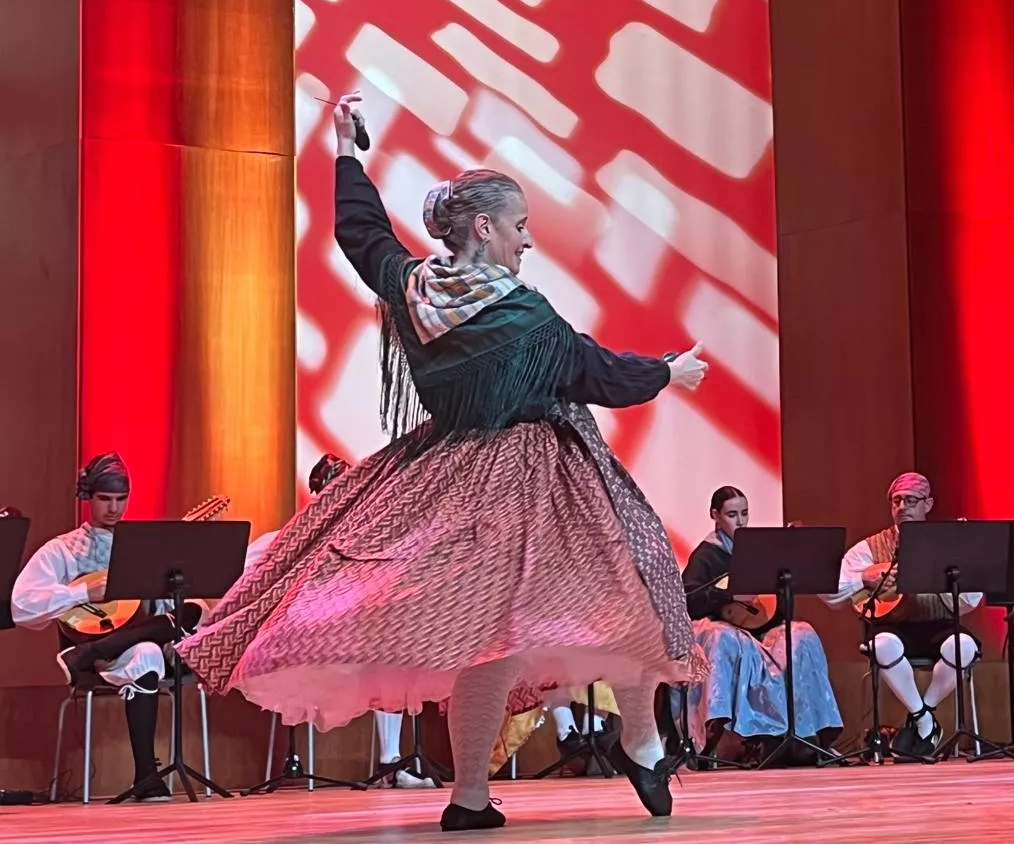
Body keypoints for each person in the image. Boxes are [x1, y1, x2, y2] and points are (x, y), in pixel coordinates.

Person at [177, 92, 709, 831]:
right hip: (537, 482)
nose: (528, 242)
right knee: (628, 605)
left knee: (487, 639)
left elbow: (361, 235)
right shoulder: (527, 317)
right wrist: (667, 372)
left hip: (448, 474)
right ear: (486, 229)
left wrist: (344, 150)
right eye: (521, 227)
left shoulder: (414, 288)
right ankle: (642, 743)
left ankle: (471, 797)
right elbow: (596, 374)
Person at [11, 453, 197, 802]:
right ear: (88, 499)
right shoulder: (63, 550)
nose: (114, 509)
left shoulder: (142, 546)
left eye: (121, 500)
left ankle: (87, 656)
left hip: (139, 641)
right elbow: (22, 605)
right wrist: (82, 590)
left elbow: (152, 607)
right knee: (147, 650)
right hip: (101, 644)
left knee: (184, 616)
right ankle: (146, 774)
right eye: (105, 499)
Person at [243, 453, 432, 788]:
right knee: (379, 647)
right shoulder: (285, 539)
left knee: (391, 651)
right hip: (302, 639)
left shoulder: (369, 543)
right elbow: (247, 577)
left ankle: (390, 762)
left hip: (354, 636)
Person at [680, 486, 842, 764]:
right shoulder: (707, 554)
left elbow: (779, 608)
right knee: (726, 640)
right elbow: (689, 600)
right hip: (721, 625)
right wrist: (729, 595)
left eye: (744, 513)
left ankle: (805, 735)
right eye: (732, 514)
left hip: (761, 630)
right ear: (715, 515)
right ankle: (723, 738)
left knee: (802, 635)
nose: (741, 521)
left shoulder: (758, 551)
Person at [825, 473, 981, 759]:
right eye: (897, 501)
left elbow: (971, 601)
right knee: (882, 645)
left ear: (928, 504)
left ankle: (922, 716)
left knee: (964, 648)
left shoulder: (948, 544)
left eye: (911, 500)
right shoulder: (870, 548)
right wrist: (864, 577)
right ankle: (925, 721)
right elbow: (830, 593)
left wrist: (939, 577)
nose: (903, 507)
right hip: (891, 626)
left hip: (938, 625)